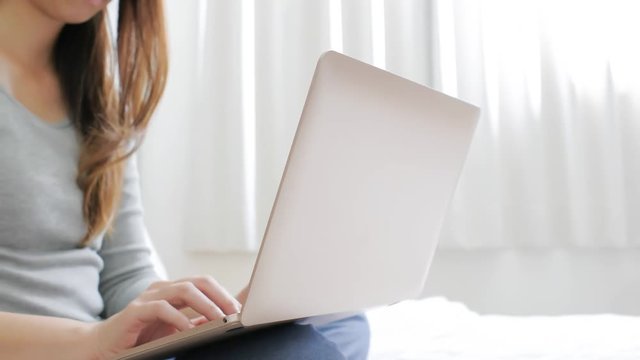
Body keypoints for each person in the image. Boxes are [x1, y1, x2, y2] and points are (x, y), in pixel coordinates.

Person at [0, 0, 369, 359]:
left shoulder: (97, 93)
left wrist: (207, 314)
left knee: (339, 324)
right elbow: (94, 338)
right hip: (59, 349)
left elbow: (123, 273)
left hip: (100, 344)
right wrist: (91, 341)